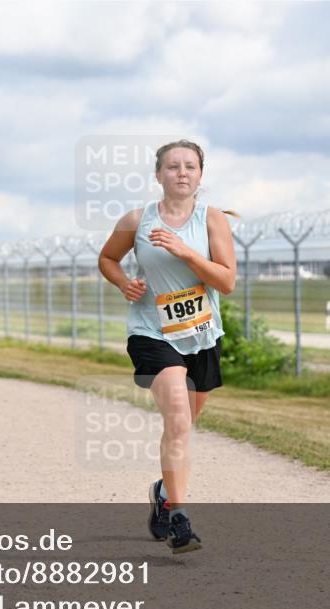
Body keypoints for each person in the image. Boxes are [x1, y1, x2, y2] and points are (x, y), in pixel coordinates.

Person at [98, 140, 237, 554]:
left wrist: (185, 251)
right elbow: (108, 258)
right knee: (177, 420)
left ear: (200, 175)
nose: (181, 172)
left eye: (189, 166)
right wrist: (124, 282)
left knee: (186, 423)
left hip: (201, 335)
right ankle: (179, 517)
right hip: (151, 332)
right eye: (172, 166)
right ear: (158, 175)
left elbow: (226, 282)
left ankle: (162, 493)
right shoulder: (137, 220)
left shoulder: (212, 220)